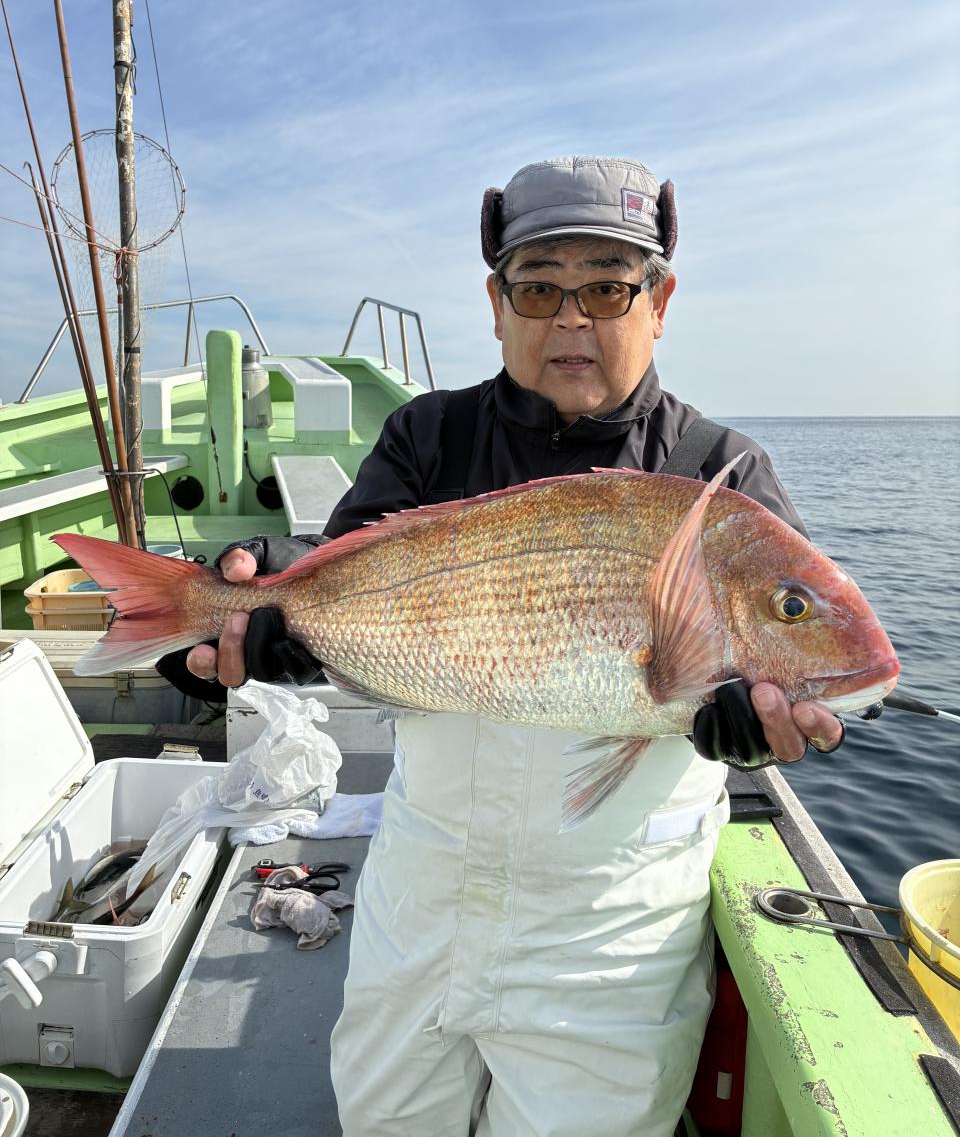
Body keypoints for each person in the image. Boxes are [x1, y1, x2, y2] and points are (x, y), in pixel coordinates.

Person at [175, 156, 843, 1136]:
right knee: (386, 1119)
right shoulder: (427, 437)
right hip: (425, 885)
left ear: (659, 302)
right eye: (539, 287)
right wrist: (266, 615)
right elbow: (342, 591)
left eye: (608, 286)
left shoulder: (723, 473)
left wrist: (762, 728)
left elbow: (812, 672)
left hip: (611, 927)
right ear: (497, 305)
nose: (572, 318)